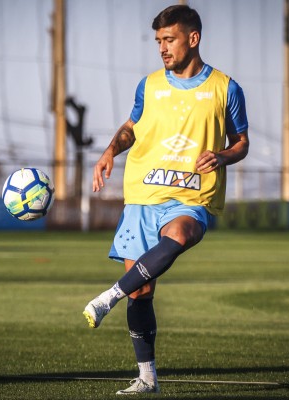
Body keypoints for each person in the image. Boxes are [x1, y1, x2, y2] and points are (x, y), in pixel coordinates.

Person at [82, 4, 249, 395]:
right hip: (142, 194)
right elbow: (131, 127)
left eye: (169, 39)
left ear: (193, 39)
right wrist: (110, 150)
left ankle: (109, 296)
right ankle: (147, 378)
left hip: (192, 195)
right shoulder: (149, 85)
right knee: (141, 291)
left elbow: (241, 142)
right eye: (158, 41)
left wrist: (223, 155)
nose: (162, 48)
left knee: (182, 233)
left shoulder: (226, 88)